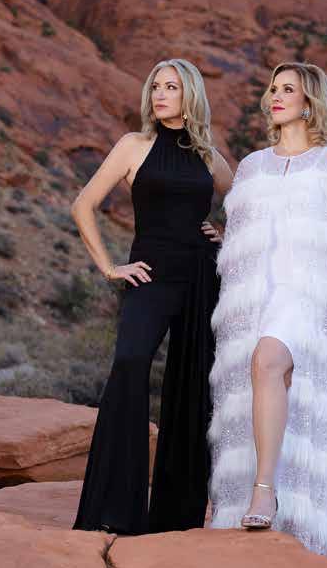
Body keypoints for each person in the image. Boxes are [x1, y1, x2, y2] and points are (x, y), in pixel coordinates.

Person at [207, 61, 327, 568]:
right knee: (265, 380)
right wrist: (225, 241)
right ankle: (278, 505)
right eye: (273, 88)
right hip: (257, 297)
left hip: (308, 298)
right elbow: (245, 234)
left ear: (310, 102)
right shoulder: (252, 167)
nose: (275, 96)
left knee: (268, 362)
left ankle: (264, 491)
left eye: (287, 89)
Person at [71, 59, 233, 535]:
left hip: (201, 276)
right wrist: (109, 267)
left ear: (191, 95)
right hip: (150, 275)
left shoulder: (209, 156)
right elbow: (83, 204)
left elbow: (244, 201)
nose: (160, 94)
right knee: (130, 361)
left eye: (171, 87)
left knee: (192, 386)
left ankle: (175, 518)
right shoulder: (133, 145)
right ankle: (113, 511)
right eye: (156, 87)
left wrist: (224, 232)